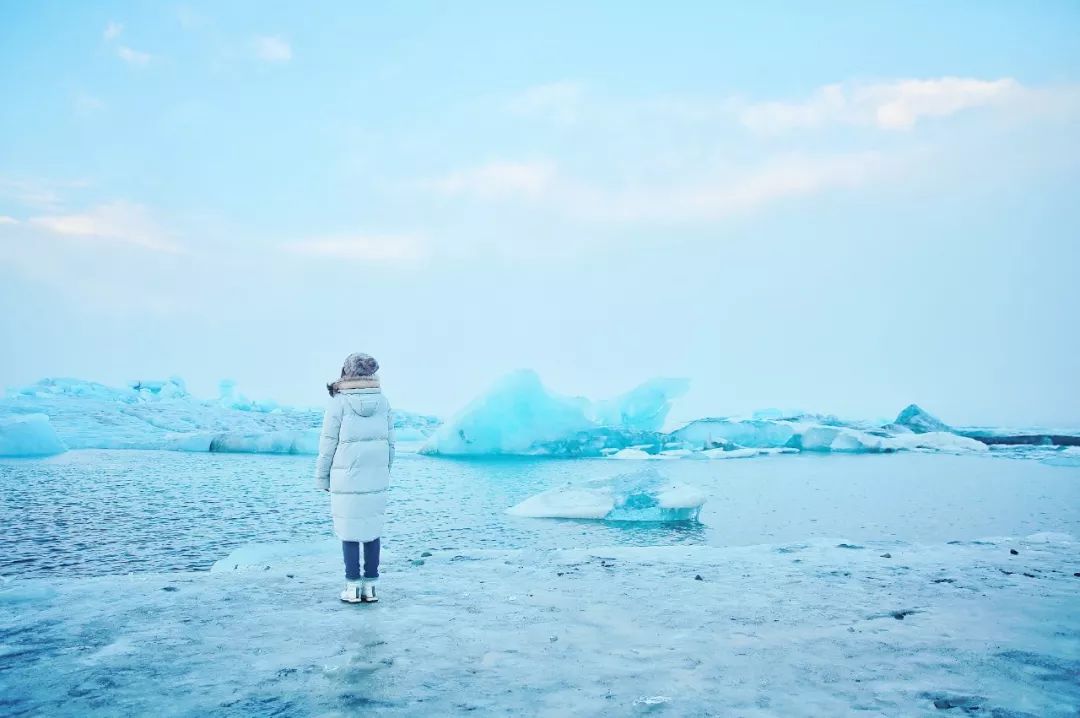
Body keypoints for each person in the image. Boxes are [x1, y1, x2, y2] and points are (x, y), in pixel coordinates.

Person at [315, 352, 395, 603]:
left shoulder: (338, 403)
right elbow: (391, 444)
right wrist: (385, 470)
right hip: (376, 478)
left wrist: (322, 478)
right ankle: (370, 588)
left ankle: (352, 588)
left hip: (345, 479)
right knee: (372, 530)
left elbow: (328, 445)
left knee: (348, 530)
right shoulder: (383, 402)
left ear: (346, 372)